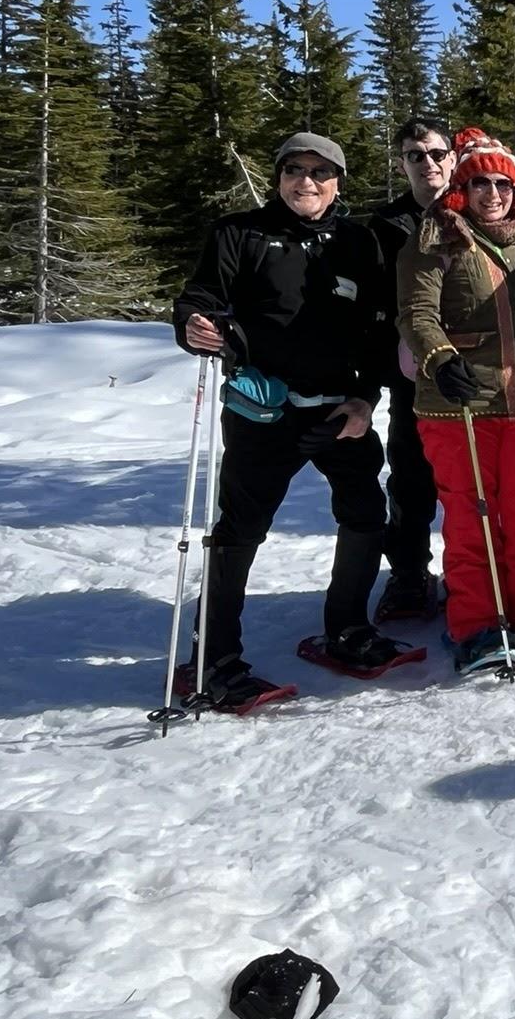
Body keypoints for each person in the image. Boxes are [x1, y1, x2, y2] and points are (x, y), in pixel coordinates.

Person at [171, 131, 403, 710]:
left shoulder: (357, 241)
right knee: (241, 530)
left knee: (366, 513)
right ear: (278, 177)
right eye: (294, 170)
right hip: (262, 408)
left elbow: (376, 331)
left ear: (337, 182)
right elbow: (199, 298)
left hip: (338, 407)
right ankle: (213, 658)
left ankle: (347, 627)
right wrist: (194, 325)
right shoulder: (239, 233)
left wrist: (365, 401)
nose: (306, 181)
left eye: (320, 172)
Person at [398, 127, 515, 675]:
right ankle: (478, 623)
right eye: (479, 182)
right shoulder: (437, 236)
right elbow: (416, 313)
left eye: (502, 183)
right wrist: (439, 357)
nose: (492, 193)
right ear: (462, 185)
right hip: (457, 404)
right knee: (472, 515)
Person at [363, 117, 455, 622]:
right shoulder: (384, 226)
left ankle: (474, 572)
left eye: (437, 153)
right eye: (416, 155)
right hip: (411, 377)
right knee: (411, 479)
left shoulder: (477, 209)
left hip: (475, 373)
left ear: (453, 158)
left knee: (475, 482)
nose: (429, 163)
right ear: (403, 163)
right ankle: (408, 574)